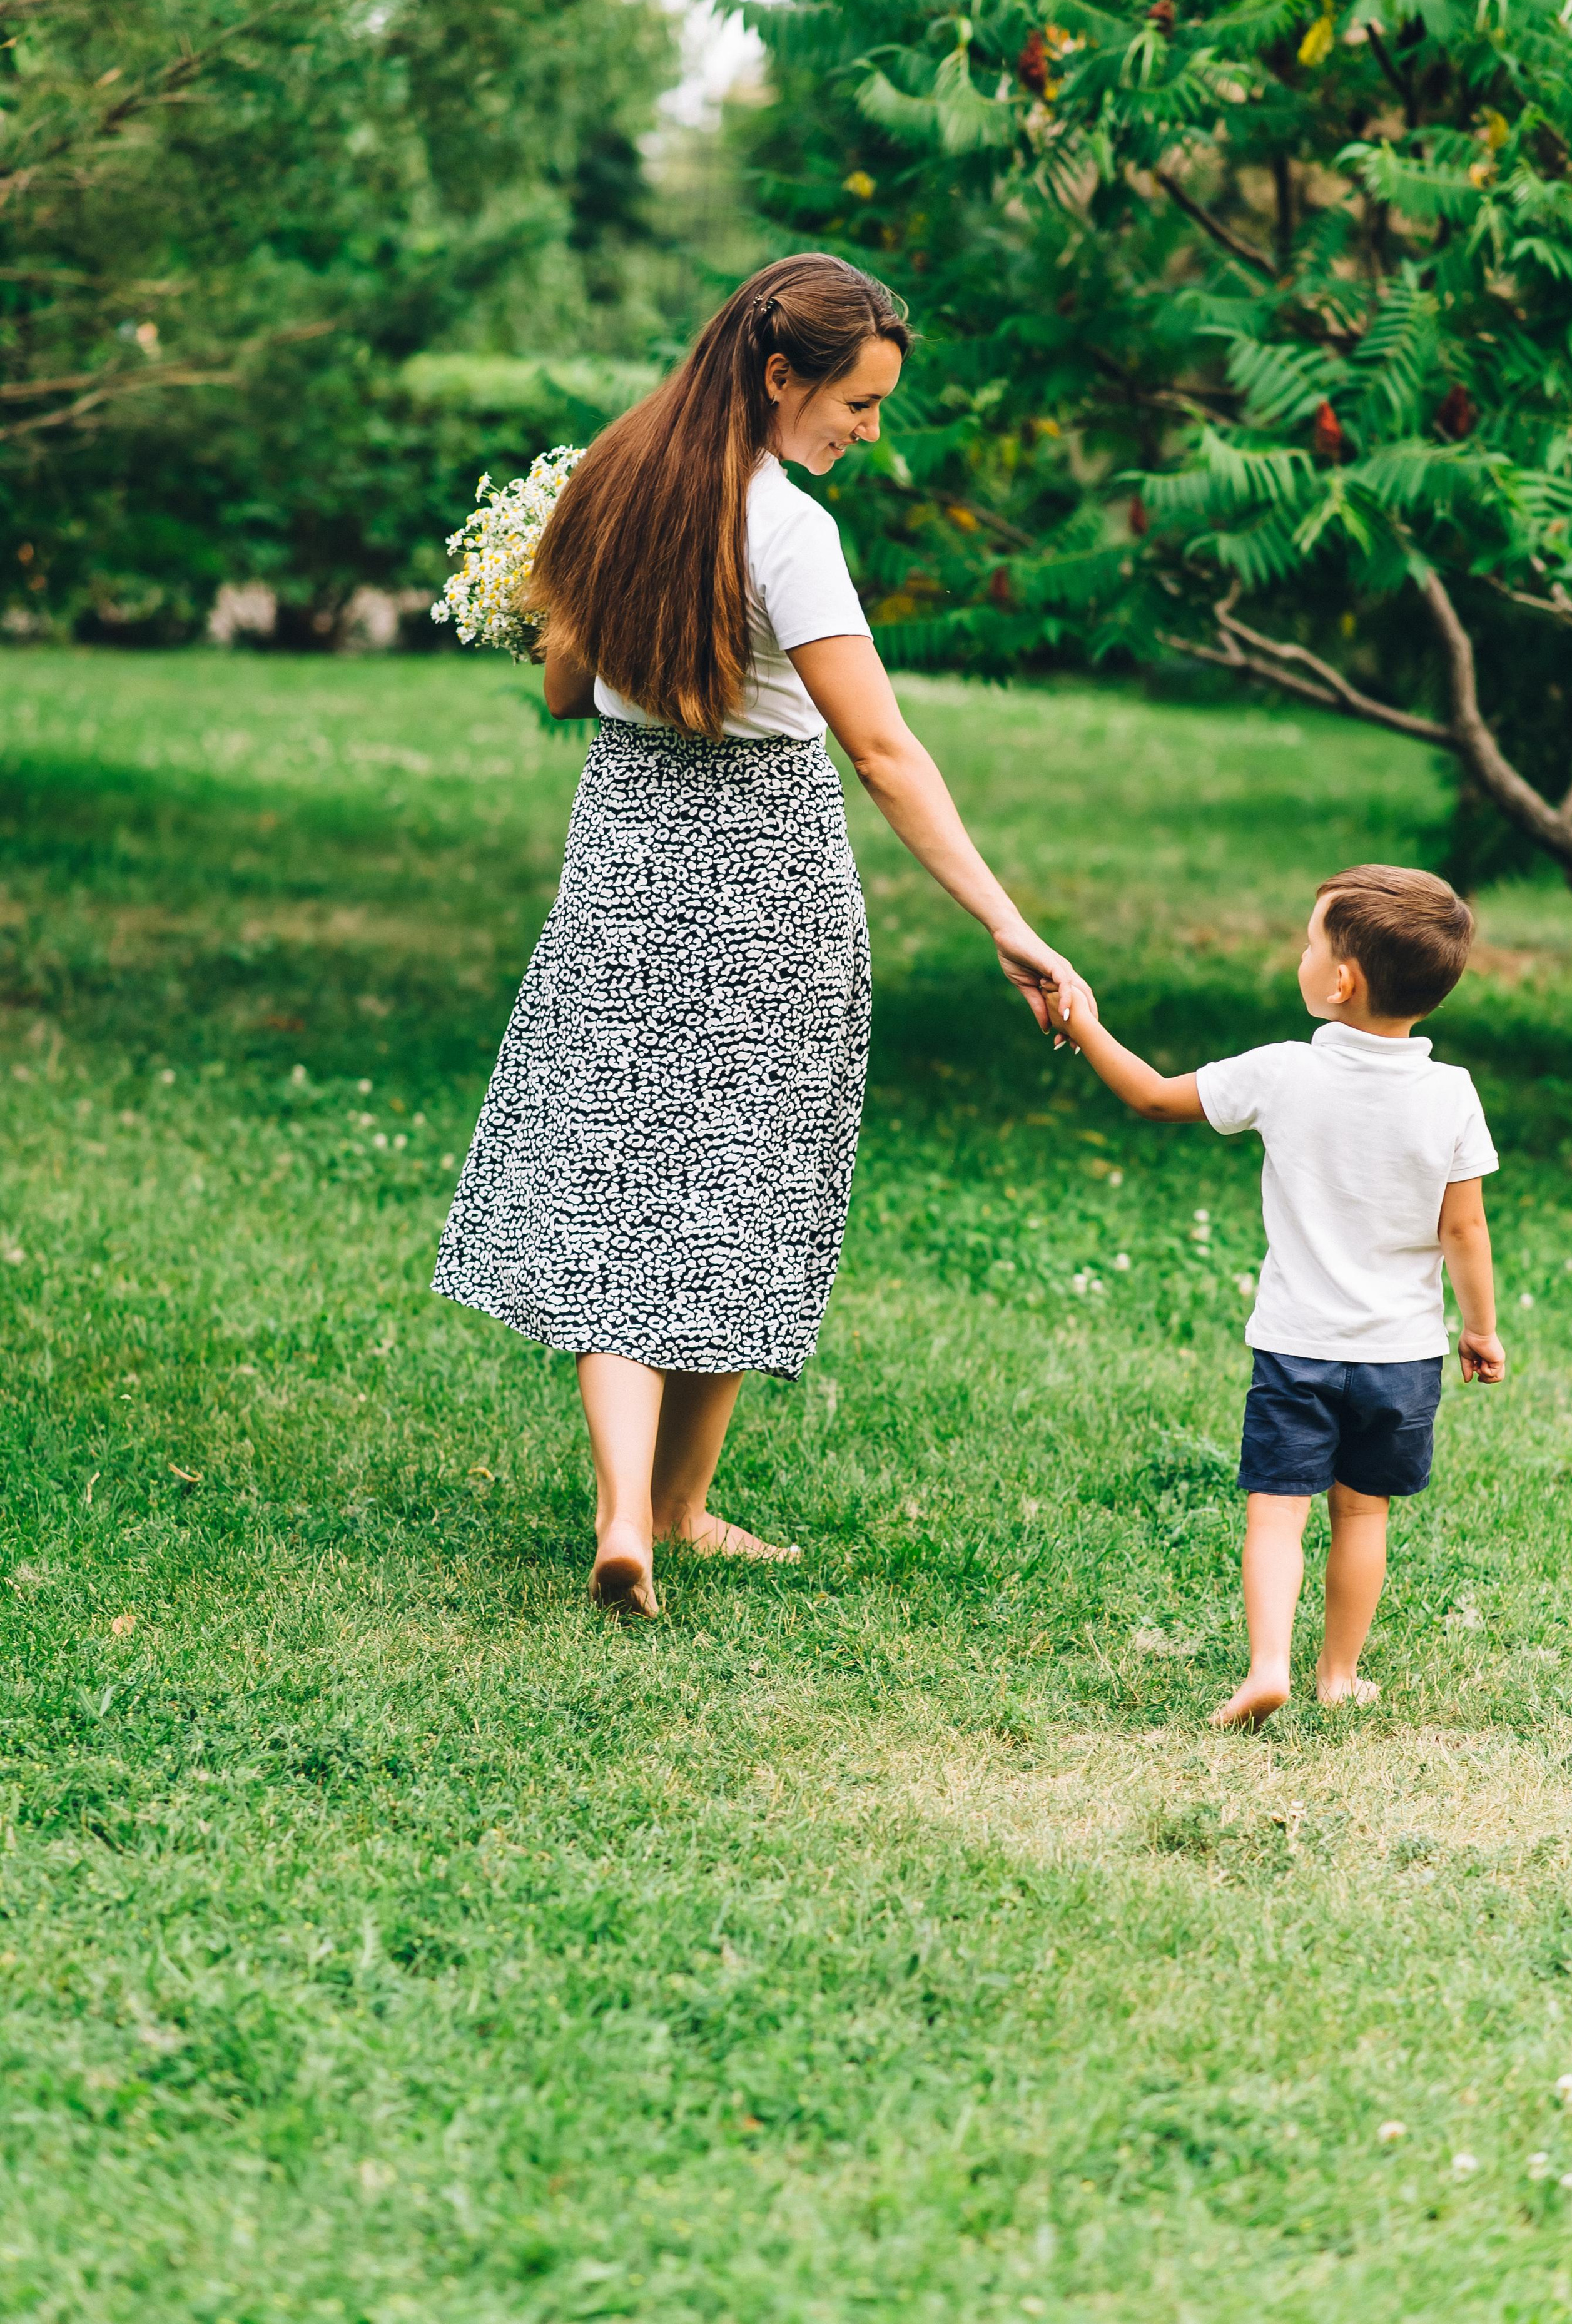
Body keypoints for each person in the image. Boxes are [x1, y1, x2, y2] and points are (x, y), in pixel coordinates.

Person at [434, 253, 1093, 1617]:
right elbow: (883, 753)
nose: (870, 430)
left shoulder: (613, 476)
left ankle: (632, 1511)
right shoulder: (788, 530)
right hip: (767, 880)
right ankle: (672, 1506)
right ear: (780, 376)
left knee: (616, 1178)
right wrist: (1006, 921)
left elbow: (563, 688)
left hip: (624, 860)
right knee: (742, 1178)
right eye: (857, 403)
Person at [1055, 863, 1504, 1728]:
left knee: (1275, 1515)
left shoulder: (1283, 1072)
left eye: (1309, 943)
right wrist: (1479, 1329)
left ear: (1342, 982)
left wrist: (1084, 1022)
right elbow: (1465, 1229)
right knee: (1362, 1514)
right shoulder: (1451, 1093)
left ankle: (1268, 1666)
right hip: (1401, 1356)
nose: (1301, 955)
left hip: (1298, 1345)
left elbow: (1153, 1097)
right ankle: (1339, 1673)